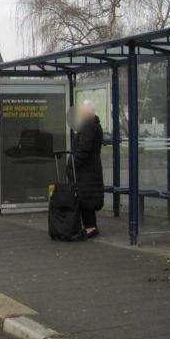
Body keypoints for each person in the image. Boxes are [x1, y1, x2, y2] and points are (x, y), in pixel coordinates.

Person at [72, 100, 104, 238]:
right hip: (91, 168)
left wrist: (72, 164)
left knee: (85, 197)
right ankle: (90, 227)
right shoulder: (94, 125)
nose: (80, 114)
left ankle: (91, 228)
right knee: (87, 197)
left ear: (86, 113)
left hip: (86, 169)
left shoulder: (89, 127)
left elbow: (84, 149)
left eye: (82, 112)